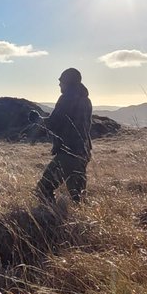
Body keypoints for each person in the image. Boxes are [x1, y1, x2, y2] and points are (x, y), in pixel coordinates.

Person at [30, 67, 93, 203]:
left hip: (68, 152)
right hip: (83, 151)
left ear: (68, 82)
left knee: (43, 188)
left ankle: (50, 219)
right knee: (78, 196)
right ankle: (81, 222)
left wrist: (37, 119)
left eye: (61, 81)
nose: (59, 84)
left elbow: (54, 122)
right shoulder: (86, 100)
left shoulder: (67, 98)